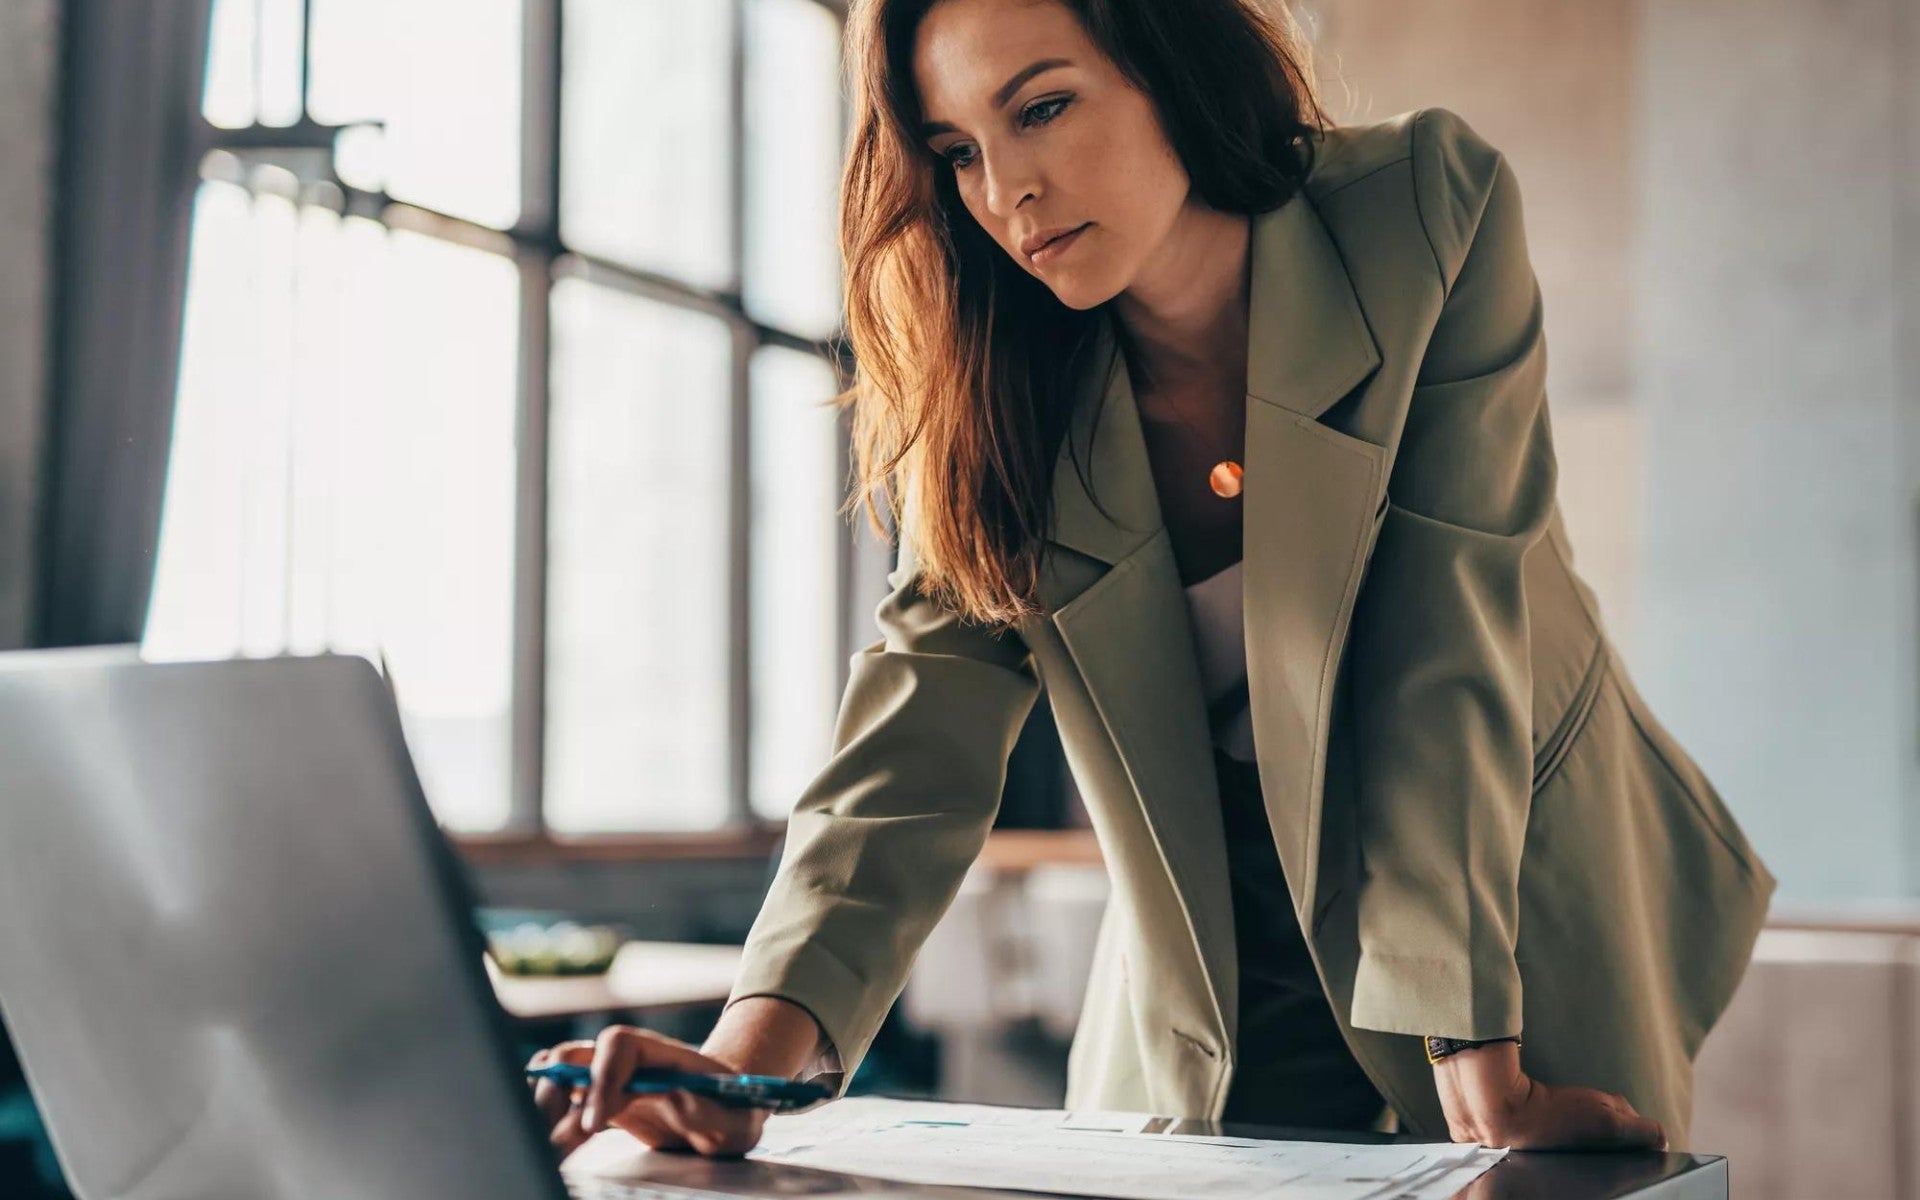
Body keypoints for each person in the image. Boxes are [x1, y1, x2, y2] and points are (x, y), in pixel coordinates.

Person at [529, 0, 1777, 1161]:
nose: (1007, 189)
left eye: (1042, 107)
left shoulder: (1423, 212)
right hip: (1213, 956)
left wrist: (1470, 1039)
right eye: (957, 151)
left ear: (1170, 63)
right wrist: (744, 1065)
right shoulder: (994, 398)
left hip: (1499, 908)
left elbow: (1444, 637)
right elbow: (913, 734)